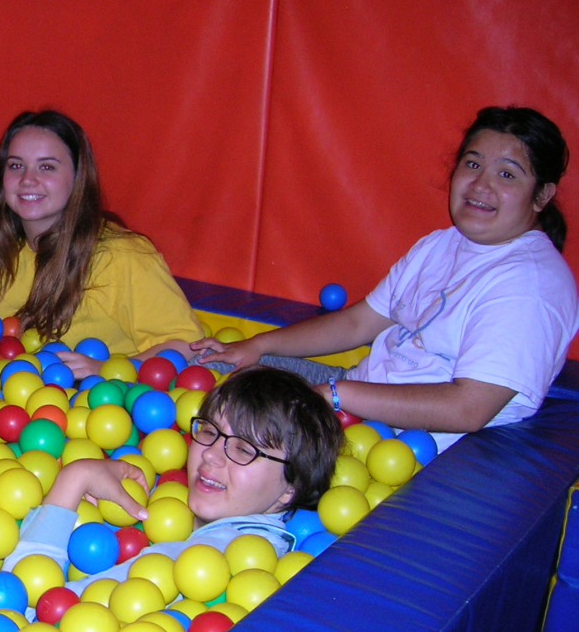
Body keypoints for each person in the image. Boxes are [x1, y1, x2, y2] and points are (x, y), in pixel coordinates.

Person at [193, 106, 579, 453]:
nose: (480, 186)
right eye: (473, 164)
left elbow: (469, 407)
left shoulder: (531, 284)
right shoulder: (442, 244)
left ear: (542, 195)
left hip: (402, 446)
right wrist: (257, 346)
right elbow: (359, 322)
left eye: (507, 175)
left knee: (241, 434)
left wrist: (336, 395)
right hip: (355, 403)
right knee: (213, 370)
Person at [2, 366, 342, 593]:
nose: (211, 454)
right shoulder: (254, 540)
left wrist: (74, 478)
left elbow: (27, 602)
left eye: (243, 449)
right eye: (209, 431)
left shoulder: (208, 559)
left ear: (290, 489)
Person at [0, 110, 203, 377]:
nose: (27, 179)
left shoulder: (122, 256)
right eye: (16, 165)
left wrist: (108, 371)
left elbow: (187, 347)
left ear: (78, 177)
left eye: (47, 167)